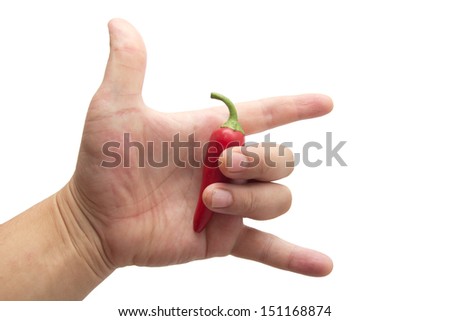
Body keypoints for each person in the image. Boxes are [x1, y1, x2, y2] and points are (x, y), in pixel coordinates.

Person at [0, 19, 333, 300]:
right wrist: (84, 224)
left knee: (235, 170)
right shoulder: (217, 140)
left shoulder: (228, 140)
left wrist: (84, 231)